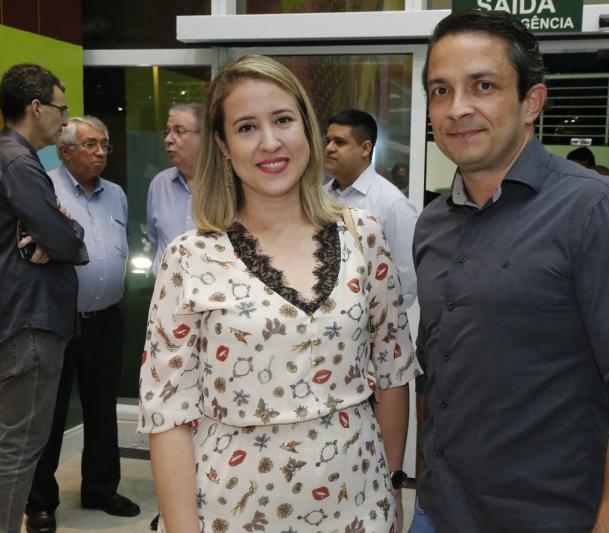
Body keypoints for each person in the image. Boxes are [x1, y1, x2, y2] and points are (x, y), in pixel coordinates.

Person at [410, 10, 609, 532]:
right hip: (437, 512)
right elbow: (439, 369)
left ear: (532, 102)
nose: (458, 108)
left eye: (483, 86)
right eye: (441, 91)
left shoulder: (599, 213)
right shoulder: (432, 224)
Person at [138, 55, 421, 532]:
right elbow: (167, 414)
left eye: (283, 120)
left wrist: (392, 488)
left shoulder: (364, 235)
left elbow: (393, 371)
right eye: (246, 127)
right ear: (223, 145)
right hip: (233, 513)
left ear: (307, 127)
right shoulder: (190, 257)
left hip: (360, 506)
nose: (270, 142)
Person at [0, 64, 87, 533]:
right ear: (35, 107)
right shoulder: (18, 163)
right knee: (21, 445)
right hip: (31, 318)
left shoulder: (1, 155)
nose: (64, 120)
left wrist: (57, 231)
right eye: (61, 110)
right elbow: (62, 239)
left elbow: (52, 234)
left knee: (8, 440)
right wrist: (69, 231)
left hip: (16, 314)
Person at [24, 117, 140, 533]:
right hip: (57, 320)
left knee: (102, 407)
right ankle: (41, 503)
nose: (101, 152)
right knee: (51, 413)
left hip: (106, 318)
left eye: (104, 144)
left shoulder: (117, 195)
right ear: (65, 150)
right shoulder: (45, 189)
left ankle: (101, 490)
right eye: (91, 144)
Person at [323, 109, 418, 309]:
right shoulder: (321, 197)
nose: (329, 148)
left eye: (339, 142)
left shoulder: (393, 204)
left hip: (370, 320)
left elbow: (406, 283)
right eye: (328, 141)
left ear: (366, 148)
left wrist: (374, 318)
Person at [146, 103, 202, 274]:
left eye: (179, 131)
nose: (168, 139)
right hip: (165, 288)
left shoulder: (227, 185)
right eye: (167, 132)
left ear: (205, 137)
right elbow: (155, 240)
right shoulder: (160, 184)